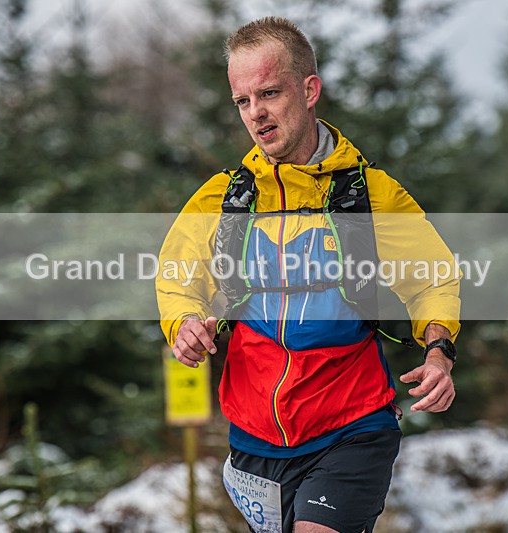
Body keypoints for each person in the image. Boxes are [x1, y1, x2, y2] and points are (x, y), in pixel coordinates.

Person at [157, 16, 460, 533]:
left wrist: (439, 352)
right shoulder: (224, 199)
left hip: (352, 428)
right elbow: (178, 277)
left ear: (309, 89)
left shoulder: (371, 196)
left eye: (269, 93)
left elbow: (433, 279)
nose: (257, 113)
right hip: (254, 440)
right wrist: (184, 322)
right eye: (243, 101)